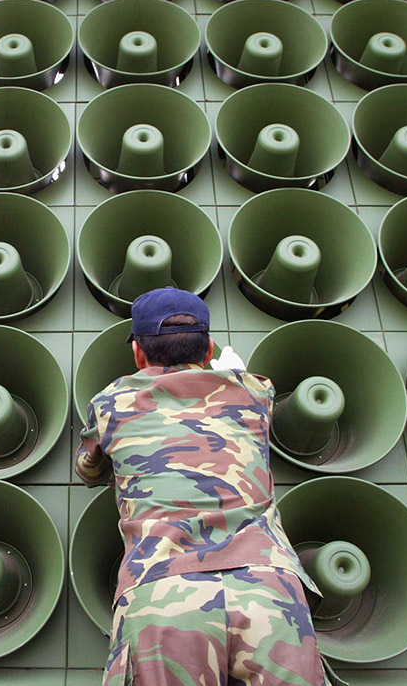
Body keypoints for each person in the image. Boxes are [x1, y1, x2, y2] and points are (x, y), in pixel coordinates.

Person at [76, 287, 327, 686]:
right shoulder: (255, 392)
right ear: (209, 348)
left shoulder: (111, 404)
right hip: (268, 591)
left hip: (165, 593)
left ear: (139, 354)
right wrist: (236, 374)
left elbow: (88, 471)